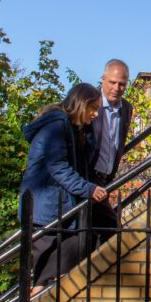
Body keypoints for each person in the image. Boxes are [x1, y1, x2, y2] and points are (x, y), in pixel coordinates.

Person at [19, 82, 109, 291]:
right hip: (48, 210)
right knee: (47, 279)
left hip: (58, 209)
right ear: (81, 103)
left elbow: (82, 164)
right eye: (93, 108)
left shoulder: (73, 128)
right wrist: (89, 189)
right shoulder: (56, 126)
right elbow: (58, 167)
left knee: (60, 271)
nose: (95, 114)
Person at [88, 59, 134, 245]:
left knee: (95, 230)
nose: (116, 88)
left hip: (106, 178)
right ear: (103, 80)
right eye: (112, 82)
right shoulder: (90, 102)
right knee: (110, 228)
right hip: (88, 175)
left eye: (122, 84)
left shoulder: (127, 108)